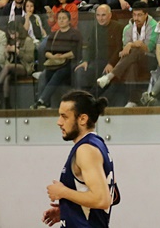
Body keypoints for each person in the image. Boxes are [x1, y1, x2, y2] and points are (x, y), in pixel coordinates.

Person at [42, 91, 116, 228]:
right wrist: (69, 210)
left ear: (82, 119)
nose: (59, 122)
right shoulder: (97, 144)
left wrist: (62, 192)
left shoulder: (85, 150)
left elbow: (102, 200)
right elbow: (114, 196)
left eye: (64, 117)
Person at [96, 2, 158, 107]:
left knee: (136, 50)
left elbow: (148, 48)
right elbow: (125, 51)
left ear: (146, 15)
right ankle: (132, 101)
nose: (136, 18)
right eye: (134, 15)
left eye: (139, 15)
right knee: (132, 64)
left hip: (151, 60)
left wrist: (131, 44)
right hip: (132, 60)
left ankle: (110, 76)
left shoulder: (154, 26)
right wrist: (133, 45)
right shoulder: (128, 28)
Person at [33, 11, 83, 109]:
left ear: (69, 20)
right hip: (54, 62)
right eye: (59, 18)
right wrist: (54, 57)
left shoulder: (75, 34)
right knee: (44, 75)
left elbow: (76, 52)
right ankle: (43, 102)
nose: (61, 20)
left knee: (58, 73)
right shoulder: (54, 35)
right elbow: (46, 52)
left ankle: (42, 100)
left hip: (69, 63)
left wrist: (62, 56)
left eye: (64, 18)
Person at [74, 5, 123, 93]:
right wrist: (85, 60)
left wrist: (111, 63)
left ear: (110, 15)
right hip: (96, 62)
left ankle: (89, 97)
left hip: (111, 62)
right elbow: (90, 46)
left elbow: (120, 48)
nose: (100, 18)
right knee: (80, 71)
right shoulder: (95, 27)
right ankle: (81, 96)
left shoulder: (118, 27)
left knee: (104, 78)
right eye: (98, 15)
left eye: (103, 15)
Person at [0, 20, 35, 109]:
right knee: (7, 77)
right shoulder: (11, 41)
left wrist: (17, 51)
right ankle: (7, 103)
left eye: (14, 33)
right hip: (13, 66)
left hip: (25, 66)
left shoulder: (27, 40)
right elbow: (8, 59)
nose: (12, 36)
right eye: (10, 34)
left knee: (7, 67)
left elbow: (30, 58)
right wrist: (7, 52)